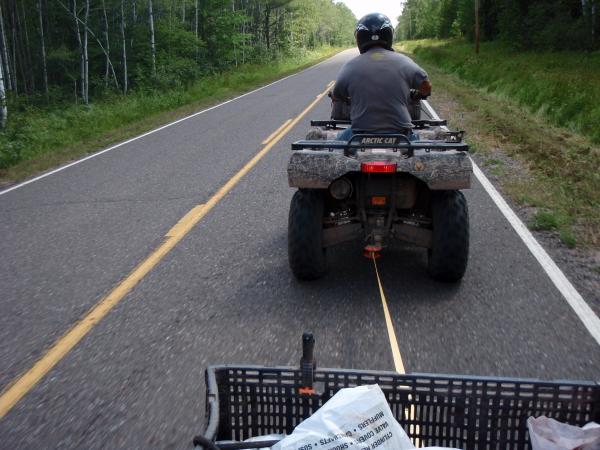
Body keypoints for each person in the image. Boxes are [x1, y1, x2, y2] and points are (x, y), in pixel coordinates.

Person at [332, 13, 432, 142]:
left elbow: (337, 95)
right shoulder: (404, 61)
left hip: (359, 136)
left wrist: (343, 97)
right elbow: (426, 85)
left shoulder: (350, 66)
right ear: (389, 35)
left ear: (360, 38)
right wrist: (418, 95)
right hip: (401, 136)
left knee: (333, 148)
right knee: (419, 154)